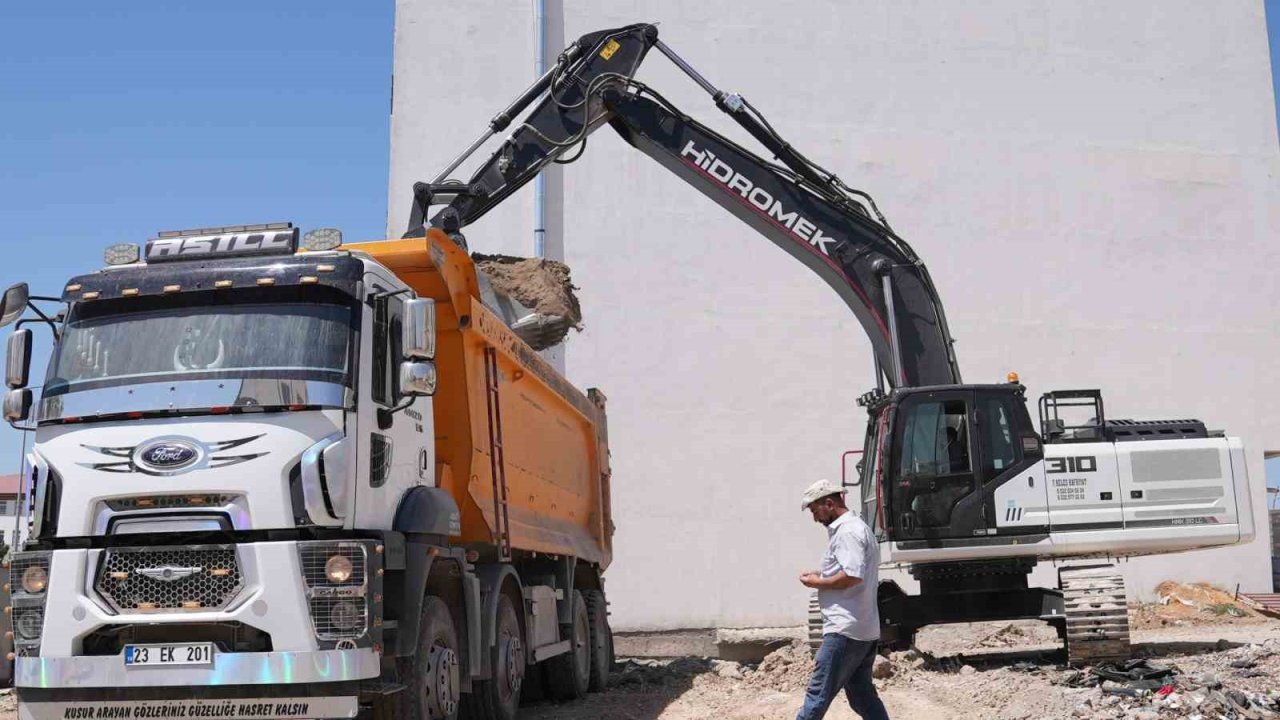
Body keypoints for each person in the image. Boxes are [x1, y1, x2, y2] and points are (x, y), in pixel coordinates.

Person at [796, 479, 890, 720]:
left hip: (844, 630)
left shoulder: (848, 532)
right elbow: (850, 570)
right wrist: (823, 575)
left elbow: (852, 576)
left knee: (816, 697)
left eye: (816, 511)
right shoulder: (856, 528)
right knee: (863, 697)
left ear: (829, 503)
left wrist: (817, 582)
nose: (815, 518)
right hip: (862, 629)